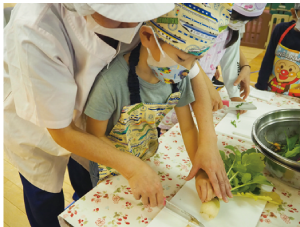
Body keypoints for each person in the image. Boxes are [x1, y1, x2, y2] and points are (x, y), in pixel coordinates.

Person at [3, 3, 175, 227]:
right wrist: (133, 167)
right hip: (36, 125)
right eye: (117, 16)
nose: (132, 24)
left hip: (89, 118)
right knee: (44, 197)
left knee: (87, 182)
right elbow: (62, 132)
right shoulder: (35, 26)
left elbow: (183, 53)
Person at [85, 3, 233, 205]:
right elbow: (94, 136)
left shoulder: (177, 79)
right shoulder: (111, 83)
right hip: (111, 170)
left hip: (146, 163)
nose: (187, 69)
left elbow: (188, 128)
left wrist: (200, 171)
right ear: (147, 37)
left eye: (194, 60)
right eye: (181, 58)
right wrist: (131, 168)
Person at [159, 3, 267, 131]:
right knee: (170, 126)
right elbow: (186, 59)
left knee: (189, 126)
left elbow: (230, 61)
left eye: (245, 20)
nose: (239, 23)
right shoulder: (196, 22)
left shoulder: (231, 31)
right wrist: (207, 88)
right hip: (177, 83)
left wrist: (234, 95)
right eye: (237, 17)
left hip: (201, 88)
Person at [255, 3, 300, 97]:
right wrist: (260, 87)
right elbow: (268, 59)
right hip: (271, 89)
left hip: (296, 95)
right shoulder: (281, 29)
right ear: (293, 13)